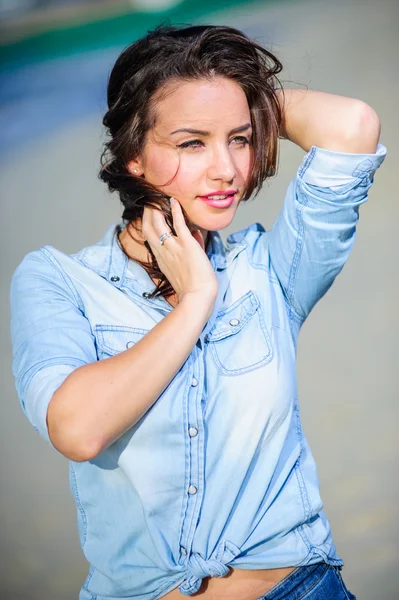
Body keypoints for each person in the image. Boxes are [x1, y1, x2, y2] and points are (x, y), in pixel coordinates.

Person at [9, 24, 386, 600]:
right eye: (192, 143)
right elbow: (78, 429)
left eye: (240, 138)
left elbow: (353, 126)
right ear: (133, 155)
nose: (227, 170)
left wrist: (241, 98)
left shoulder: (271, 271)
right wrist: (196, 303)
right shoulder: (61, 280)